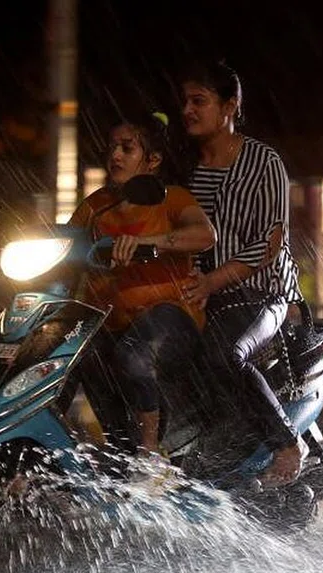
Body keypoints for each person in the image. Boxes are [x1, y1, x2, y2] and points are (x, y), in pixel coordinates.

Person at [178, 60, 307, 487]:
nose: (188, 110)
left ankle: (287, 443)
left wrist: (214, 281)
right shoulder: (184, 168)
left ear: (229, 106)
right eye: (185, 102)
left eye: (200, 101)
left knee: (222, 353)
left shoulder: (263, 162)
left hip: (258, 294)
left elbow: (271, 241)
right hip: (193, 295)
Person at [68, 111, 216, 457]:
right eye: (112, 148)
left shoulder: (173, 198)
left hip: (170, 315)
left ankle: (148, 454)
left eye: (127, 148)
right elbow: (66, 241)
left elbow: (205, 234)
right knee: (69, 356)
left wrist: (153, 242)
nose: (115, 156)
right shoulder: (97, 205)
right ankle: (117, 452)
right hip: (106, 320)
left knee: (133, 357)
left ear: (152, 160)